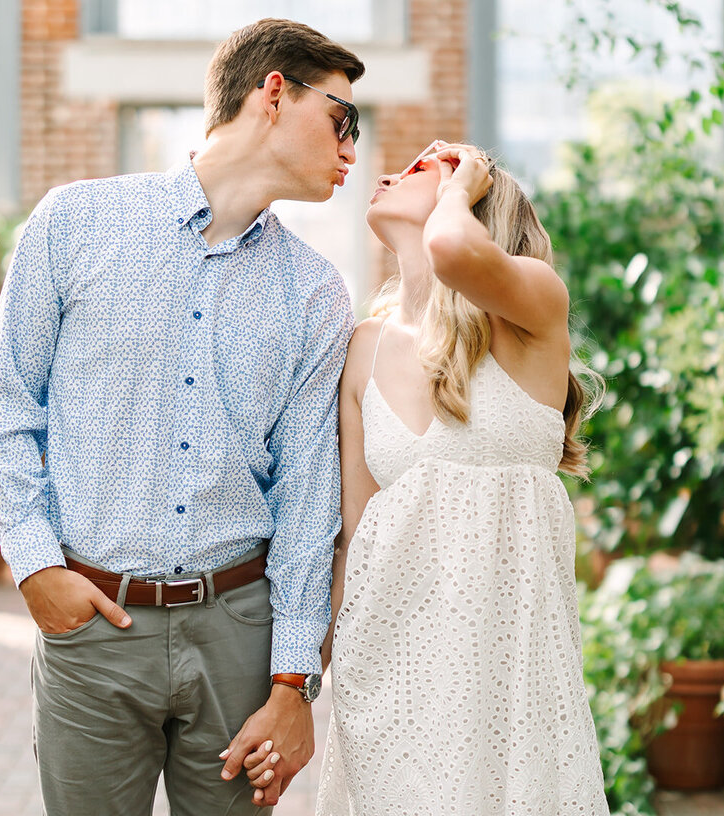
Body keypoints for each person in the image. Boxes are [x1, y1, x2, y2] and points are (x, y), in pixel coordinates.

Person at [0, 19, 363, 815]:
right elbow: (8, 406)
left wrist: (293, 682)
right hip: (94, 628)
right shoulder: (74, 223)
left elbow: (308, 502)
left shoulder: (317, 293)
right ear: (274, 93)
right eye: (342, 118)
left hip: (239, 639)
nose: (353, 147)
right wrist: (38, 567)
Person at [243, 139, 610, 813]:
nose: (387, 173)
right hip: (391, 681)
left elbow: (451, 253)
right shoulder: (363, 349)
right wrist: (293, 696)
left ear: (472, 203)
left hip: (512, 692)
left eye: (422, 169)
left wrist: (460, 182)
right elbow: (350, 542)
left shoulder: (531, 311)